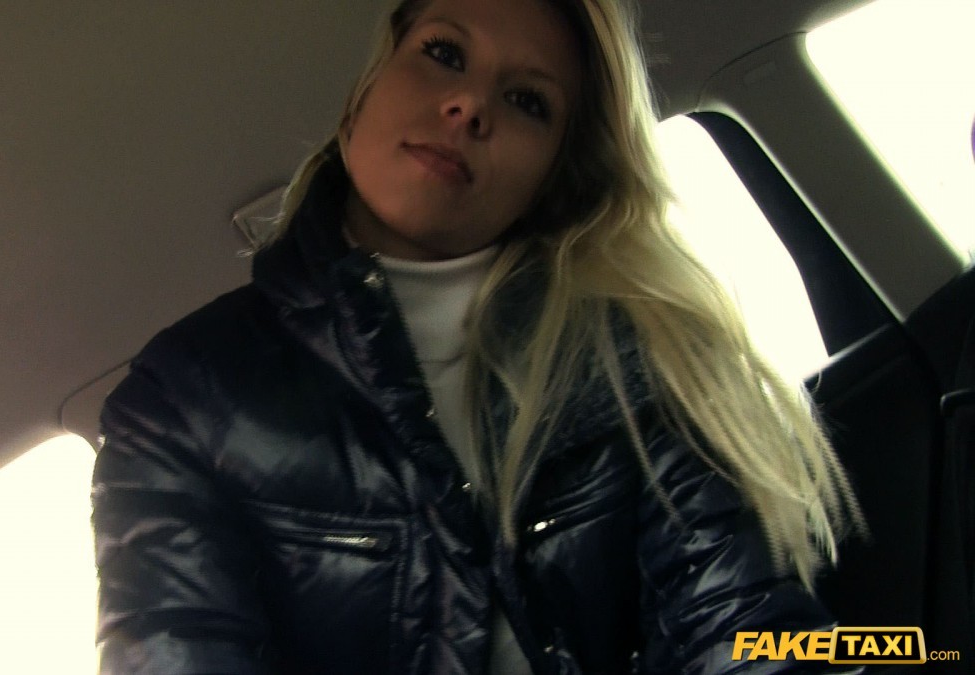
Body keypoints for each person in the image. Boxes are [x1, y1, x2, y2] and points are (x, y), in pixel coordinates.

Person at [91, 0, 866, 672]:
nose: (468, 104)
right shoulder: (182, 398)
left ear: (552, 175)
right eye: (443, 53)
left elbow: (747, 629)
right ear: (362, 95)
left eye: (528, 101)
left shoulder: (633, 350)